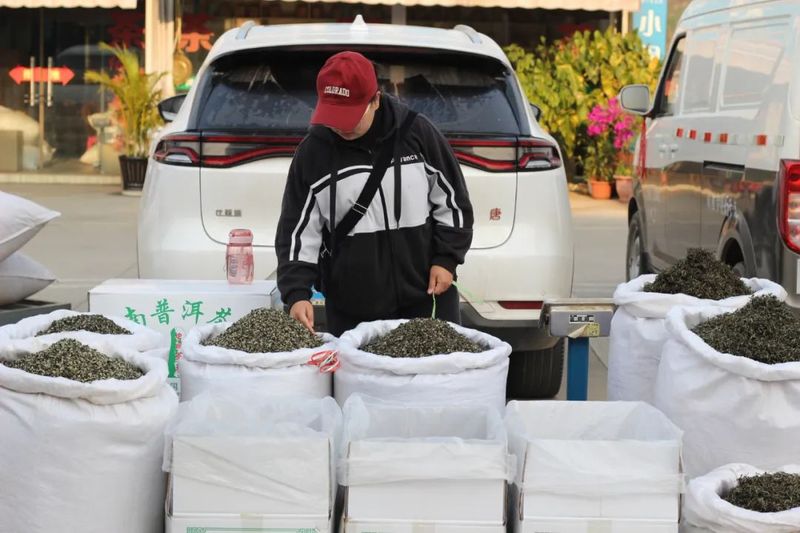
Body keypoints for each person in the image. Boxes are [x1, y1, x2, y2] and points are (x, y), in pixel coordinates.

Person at [275, 51, 473, 336]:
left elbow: (453, 202)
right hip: (352, 308)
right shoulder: (313, 153)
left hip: (425, 297)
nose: (341, 127)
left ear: (376, 100)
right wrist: (297, 293)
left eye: (351, 116)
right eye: (334, 116)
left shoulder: (417, 134)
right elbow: (298, 231)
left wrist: (447, 259)